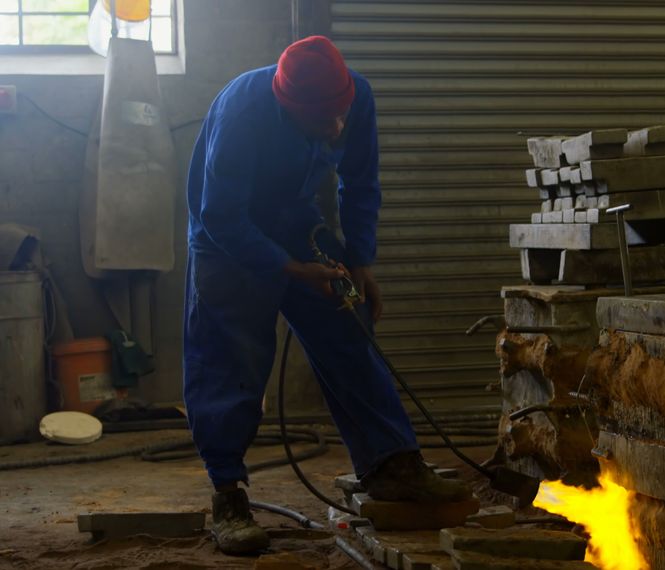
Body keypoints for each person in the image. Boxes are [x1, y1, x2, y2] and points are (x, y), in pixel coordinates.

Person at [183, 36, 470, 555]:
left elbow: (360, 182)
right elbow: (220, 214)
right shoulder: (243, 112)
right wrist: (289, 270)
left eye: (341, 115)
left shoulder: (355, 96)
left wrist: (360, 259)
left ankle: (392, 464)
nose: (337, 128)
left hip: (294, 220)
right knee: (233, 356)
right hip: (228, 237)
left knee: (347, 324)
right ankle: (228, 494)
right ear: (287, 107)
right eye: (323, 121)